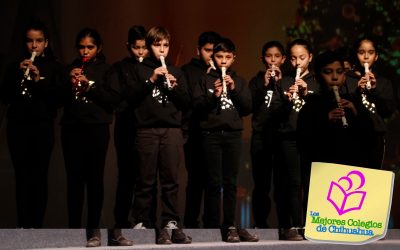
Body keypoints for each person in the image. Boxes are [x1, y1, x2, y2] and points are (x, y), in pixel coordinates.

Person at [0, 19, 67, 228]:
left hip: (42, 128)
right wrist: (16, 77)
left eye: (39, 41)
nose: (34, 46)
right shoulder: (14, 67)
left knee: (39, 177)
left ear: (46, 43)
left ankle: (36, 227)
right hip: (18, 128)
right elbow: (4, 97)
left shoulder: (55, 68)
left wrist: (38, 82)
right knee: (21, 178)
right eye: (30, 41)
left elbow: (58, 100)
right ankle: (23, 226)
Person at [128, 26, 192, 245]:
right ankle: (141, 221)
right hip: (146, 130)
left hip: (171, 130)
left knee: (171, 181)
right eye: (157, 45)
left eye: (165, 45)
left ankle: (171, 221)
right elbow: (132, 99)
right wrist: (153, 79)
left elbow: (186, 104)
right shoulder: (139, 69)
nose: (162, 50)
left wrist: (173, 88)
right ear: (149, 46)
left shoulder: (178, 71)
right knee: (145, 180)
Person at [192, 37, 258, 243]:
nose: (223, 61)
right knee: (213, 182)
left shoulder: (239, 81)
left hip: (232, 136)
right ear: (213, 57)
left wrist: (234, 90)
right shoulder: (204, 80)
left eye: (227, 57)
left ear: (233, 59)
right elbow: (196, 107)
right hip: (211, 136)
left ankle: (230, 225)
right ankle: (212, 226)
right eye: (219, 56)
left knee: (230, 183)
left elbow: (248, 108)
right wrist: (215, 95)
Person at [60, 28, 119, 247]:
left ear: (99, 48)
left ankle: (94, 231)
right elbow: (57, 100)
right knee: (74, 181)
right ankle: (74, 230)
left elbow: (112, 100)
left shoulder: (107, 70)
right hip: (72, 129)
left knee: (95, 180)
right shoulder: (70, 69)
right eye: (82, 47)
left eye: (90, 47)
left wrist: (89, 87)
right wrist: (69, 81)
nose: (85, 51)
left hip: (96, 129)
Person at [297, 50, 369, 214]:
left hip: (350, 173)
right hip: (322, 174)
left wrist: (356, 112)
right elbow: (303, 141)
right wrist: (325, 120)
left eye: (339, 72)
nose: (335, 77)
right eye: (328, 72)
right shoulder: (312, 105)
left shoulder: (353, 102)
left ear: (344, 76)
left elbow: (368, 137)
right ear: (317, 77)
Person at [106, 25, 148, 246]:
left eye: (144, 48)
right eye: (136, 47)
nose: (140, 52)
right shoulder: (119, 68)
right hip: (126, 127)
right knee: (126, 178)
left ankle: (144, 221)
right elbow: (119, 99)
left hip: (147, 128)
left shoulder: (155, 67)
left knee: (147, 178)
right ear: (128, 47)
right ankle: (120, 222)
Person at [273, 38, 318, 240]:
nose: (297, 63)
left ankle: (311, 225)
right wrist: (286, 100)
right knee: (292, 182)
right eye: (293, 58)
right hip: (288, 138)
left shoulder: (317, 82)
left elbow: (321, 110)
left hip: (310, 138)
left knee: (310, 182)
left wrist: (306, 94)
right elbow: (274, 114)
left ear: (310, 57)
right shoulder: (283, 82)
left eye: (302, 57)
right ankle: (292, 225)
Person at [181, 31, 221, 228]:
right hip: (195, 133)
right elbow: (187, 102)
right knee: (195, 181)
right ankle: (191, 224)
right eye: (208, 51)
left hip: (217, 135)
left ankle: (213, 225)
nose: (212, 56)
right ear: (198, 50)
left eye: (215, 51)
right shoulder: (187, 71)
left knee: (215, 182)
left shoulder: (224, 71)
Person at [249, 41, 286, 229]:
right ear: (262, 58)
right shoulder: (255, 81)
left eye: (277, 56)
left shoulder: (287, 80)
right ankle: (260, 223)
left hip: (281, 138)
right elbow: (249, 106)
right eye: (269, 56)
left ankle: (285, 224)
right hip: (260, 137)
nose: (273, 60)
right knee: (261, 185)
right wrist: (264, 85)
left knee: (282, 185)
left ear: (283, 59)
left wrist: (279, 84)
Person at [345, 36, 397, 169]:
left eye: (371, 52)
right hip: (350, 135)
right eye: (361, 52)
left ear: (376, 56)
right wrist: (357, 90)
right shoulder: (347, 79)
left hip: (375, 136)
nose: (366, 57)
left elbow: (387, 111)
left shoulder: (384, 82)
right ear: (355, 55)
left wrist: (373, 90)